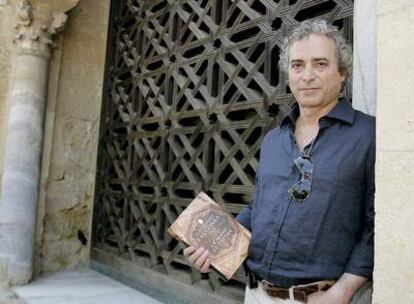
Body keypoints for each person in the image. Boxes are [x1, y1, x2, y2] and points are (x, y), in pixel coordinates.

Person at [184, 19, 375, 304]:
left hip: (323, 299)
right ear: (288, 74)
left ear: (343, 73)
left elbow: (377, 225)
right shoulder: (274, 139)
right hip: (256, 294)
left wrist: (343, 291)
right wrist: (213, 246)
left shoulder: (369, 134)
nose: (307, 75)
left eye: (320, 64)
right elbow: (258, 208)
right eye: (297, 65)